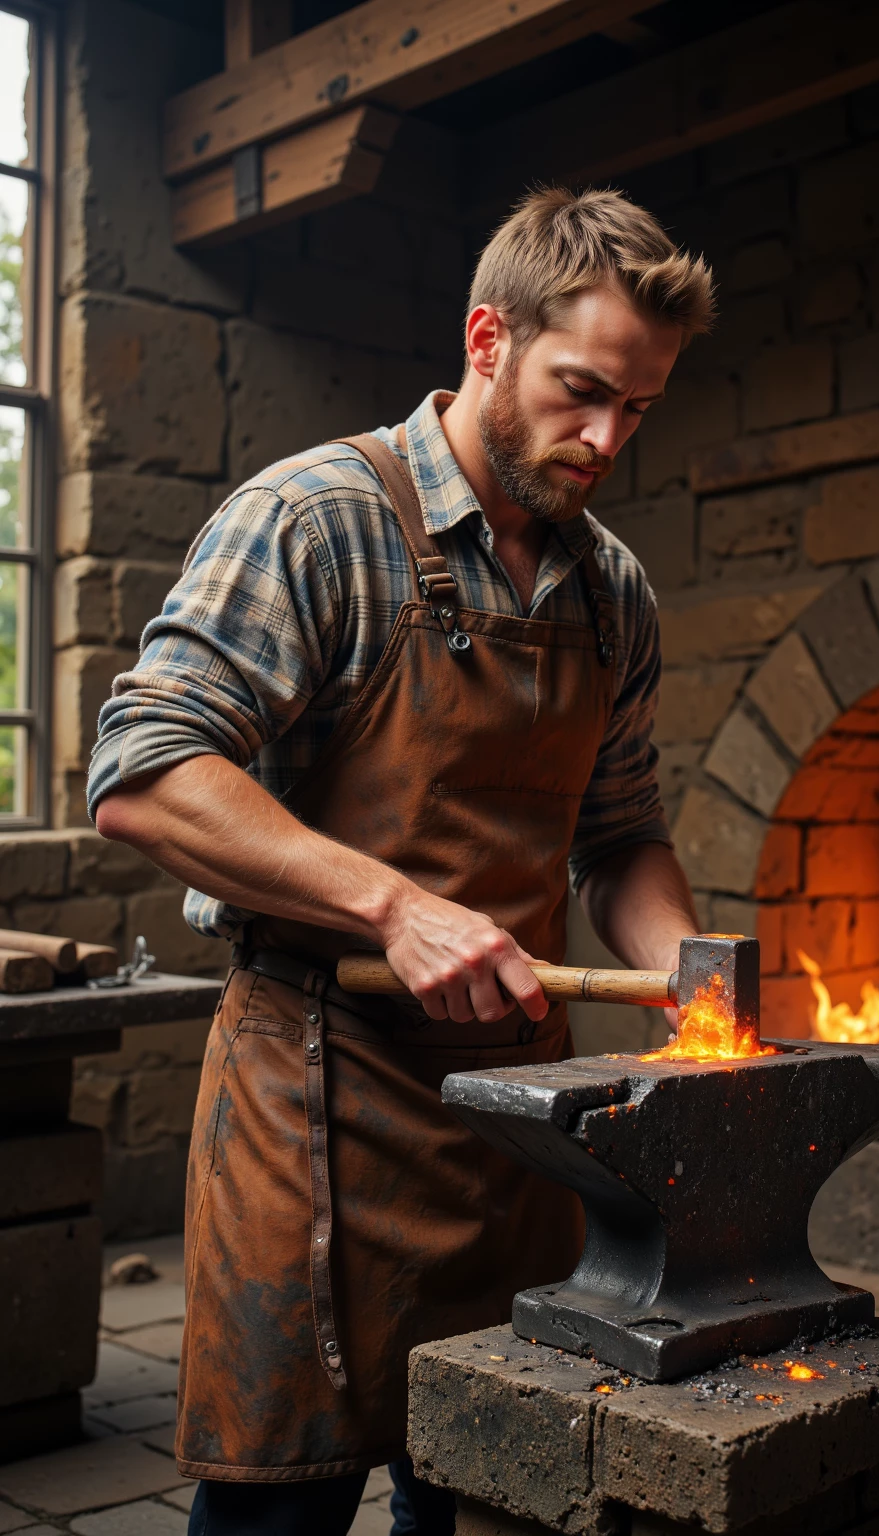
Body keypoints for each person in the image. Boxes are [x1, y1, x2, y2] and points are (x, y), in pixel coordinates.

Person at [90, 186, 714, 1535]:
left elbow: (620, 837)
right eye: (582, 390)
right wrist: (395, 907)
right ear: (488, 338)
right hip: (315, 1105)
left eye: (641, 408)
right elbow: (144, 775)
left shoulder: (615, 595)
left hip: (517, 1140)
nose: (607, 439)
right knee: (280, 1510)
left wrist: (699, 976)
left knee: (493, 1491)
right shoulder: (318, 520)